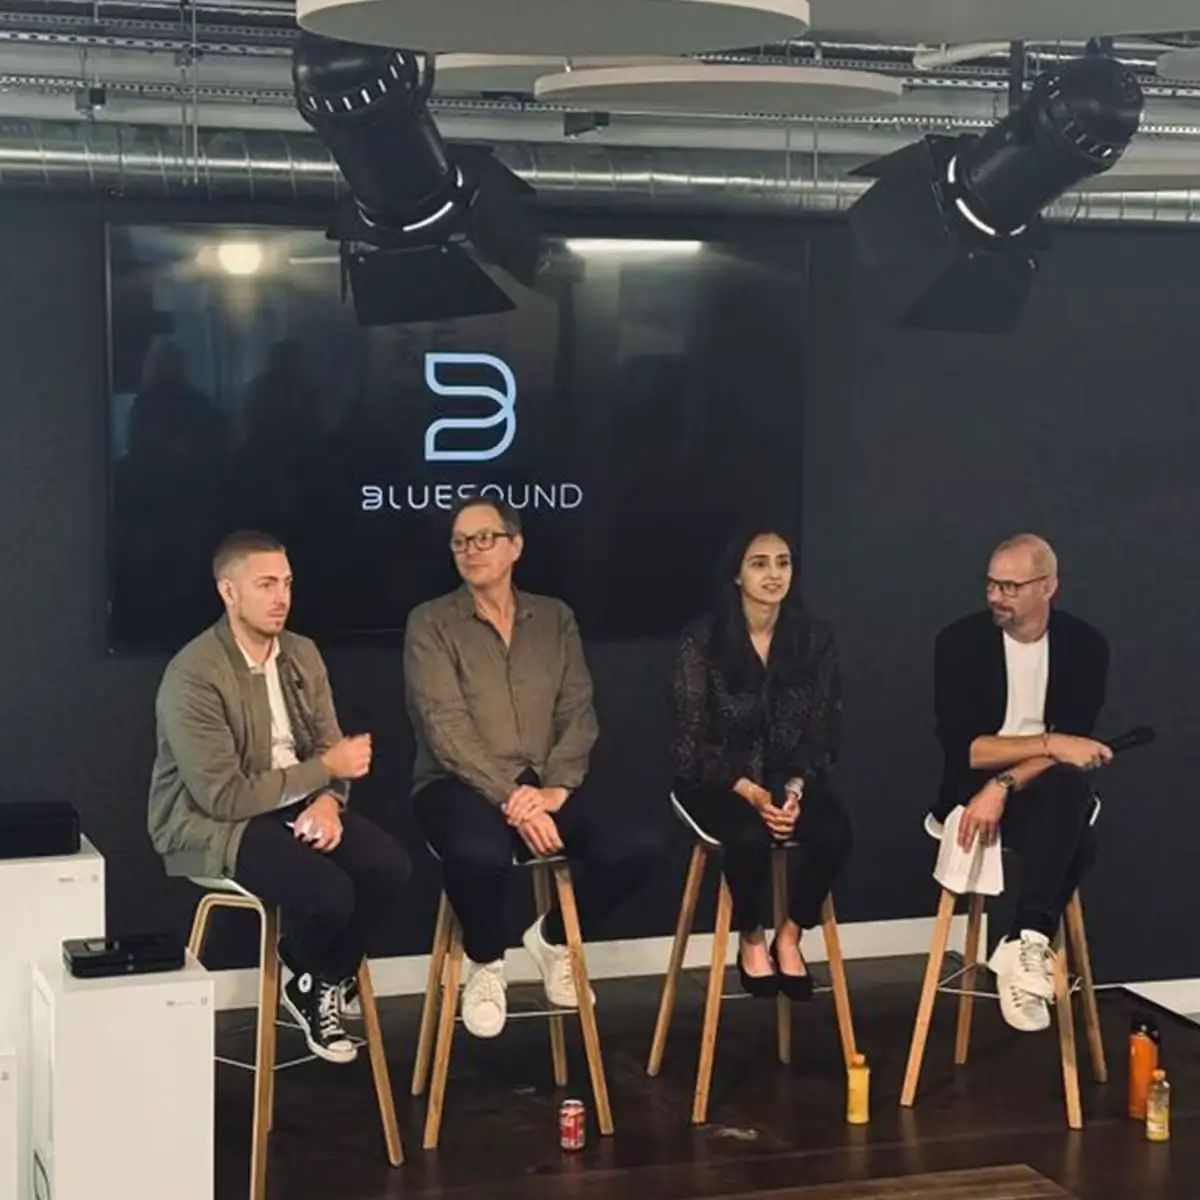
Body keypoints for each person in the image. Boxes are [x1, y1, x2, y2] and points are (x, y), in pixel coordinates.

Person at [148, 530, 411, 1063]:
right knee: (329, 893)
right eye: (266, 584)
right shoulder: (193, 674)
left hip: (295, 801)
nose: (281, 598)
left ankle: (314, 977)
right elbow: (223, 796)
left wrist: (329, 800)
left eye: (287, 583)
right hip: (210, 822)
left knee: (389, 868)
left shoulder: (301, 653)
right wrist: (325, 771)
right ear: (228, 592)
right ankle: (318, 976)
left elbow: (328, 746)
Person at [404, 498, 663, 1039]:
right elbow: (444, 728)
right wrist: (512, 799)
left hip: (545, 783)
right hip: (458, 784)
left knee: (636, 843)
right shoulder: (430, 622)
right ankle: (485, 962)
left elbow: (578, 711)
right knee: (478, 853)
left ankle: (553, 938)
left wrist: (556, 790)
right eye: (460, 541)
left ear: (515, 545)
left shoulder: (554, 618)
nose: (471, 550)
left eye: (484, 538)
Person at [934, 533, 1111, 1033]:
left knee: (1068, 788)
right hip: (969, 790)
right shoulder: (959, 643)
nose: (996, 596)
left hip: (1044, 790)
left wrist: (1006, 782)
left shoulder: (1085, 647)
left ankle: (1023, 942)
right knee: (1080, 837)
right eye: (991, 584)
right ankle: (1027, 943)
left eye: (1010, 587)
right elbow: (969, 750)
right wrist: (1049, 745)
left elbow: (1071, 753)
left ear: (1048, 586)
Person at [671, 528, 852, 1000]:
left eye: (783, 562)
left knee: (834, 834)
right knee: (748, 837)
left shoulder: (814, 638)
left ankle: (790, 934)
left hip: (787, 772)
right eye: (759, 563)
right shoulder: (703, 639)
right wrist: (749, 791)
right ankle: (750, 935)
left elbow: (823, 729)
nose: (774, 574)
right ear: (737, 575)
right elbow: (691, 740)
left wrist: (793, 790)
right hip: (715, 777)